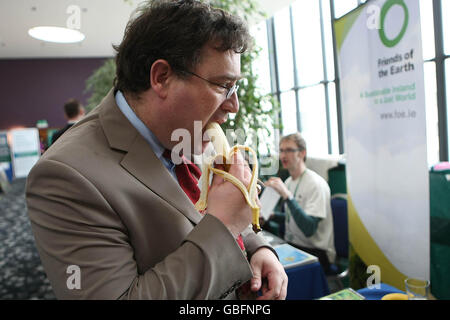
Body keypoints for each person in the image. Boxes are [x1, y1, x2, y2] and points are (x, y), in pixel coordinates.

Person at [26, 0, 287, 300]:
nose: (234, 106)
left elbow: (212, 210)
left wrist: (258, 248)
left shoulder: (188, 132)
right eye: (222, 85)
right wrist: (225, 228)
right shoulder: (65, 176)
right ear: (162, 77)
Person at [264, 132, 336, 274]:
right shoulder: (289, 182)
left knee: (274, 273)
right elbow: (292, 218)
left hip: (317, 253)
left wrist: (287, 196)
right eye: (281, 150)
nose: (283, 155)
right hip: (294, 245)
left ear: (302, 153)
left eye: (289, 150)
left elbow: (308, 228)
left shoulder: (315, 184)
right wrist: (272, 215)